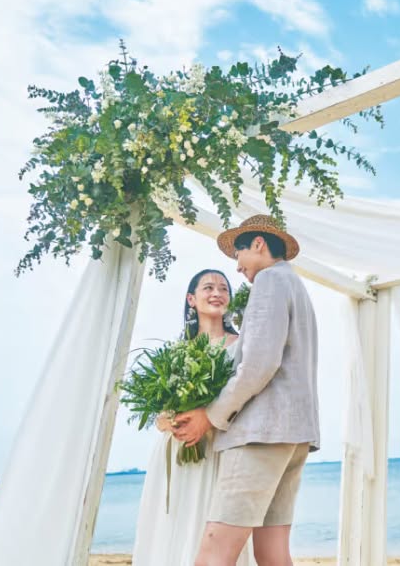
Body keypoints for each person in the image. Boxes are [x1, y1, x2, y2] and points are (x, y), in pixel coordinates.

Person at [173, 215, 319, 566]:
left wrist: (211, 416)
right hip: (294, 434)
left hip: (260, 434)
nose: (237, 268)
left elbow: (257, 365)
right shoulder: (296, 286)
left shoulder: (269, 281)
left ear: (258, 244)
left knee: (214, 549)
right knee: (273, 551)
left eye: (238, 255)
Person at [131, 269, 248, 566]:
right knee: (174, 524)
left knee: (213, 528)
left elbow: (247, 398)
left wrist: (207, 418)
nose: (217, 293)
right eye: (208, 287)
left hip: (219, 450)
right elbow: (159, 410)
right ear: (191, 299)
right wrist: (166, 422)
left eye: (224, 288)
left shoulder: (242, 346)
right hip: (176, 450)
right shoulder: (176, 350)